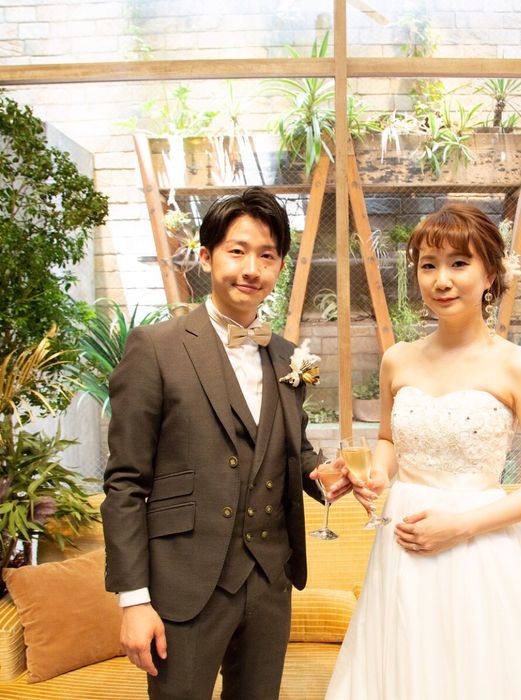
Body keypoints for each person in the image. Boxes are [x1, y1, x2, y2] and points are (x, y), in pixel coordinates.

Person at [326, 202, 521, 700]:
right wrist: (378, 475)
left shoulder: (516, 365)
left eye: (459, 263)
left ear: (490, 273)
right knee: (406, 665)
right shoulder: (397, 359)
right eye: (428, 265)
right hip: (404, 541)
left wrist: (461, 526)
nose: (441, 280)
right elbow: (388, 441)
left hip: (481, 547)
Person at [102, 187, 348, 700]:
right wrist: (134, 600)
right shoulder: (156, 347)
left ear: (279, 266)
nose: (251, 269)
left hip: (270, 580)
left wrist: (326, 475)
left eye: (267, 256)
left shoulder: (288, 357)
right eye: (237, 251)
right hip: (184, 586)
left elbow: (290, 452)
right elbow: (125, 482)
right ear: (206, 256)